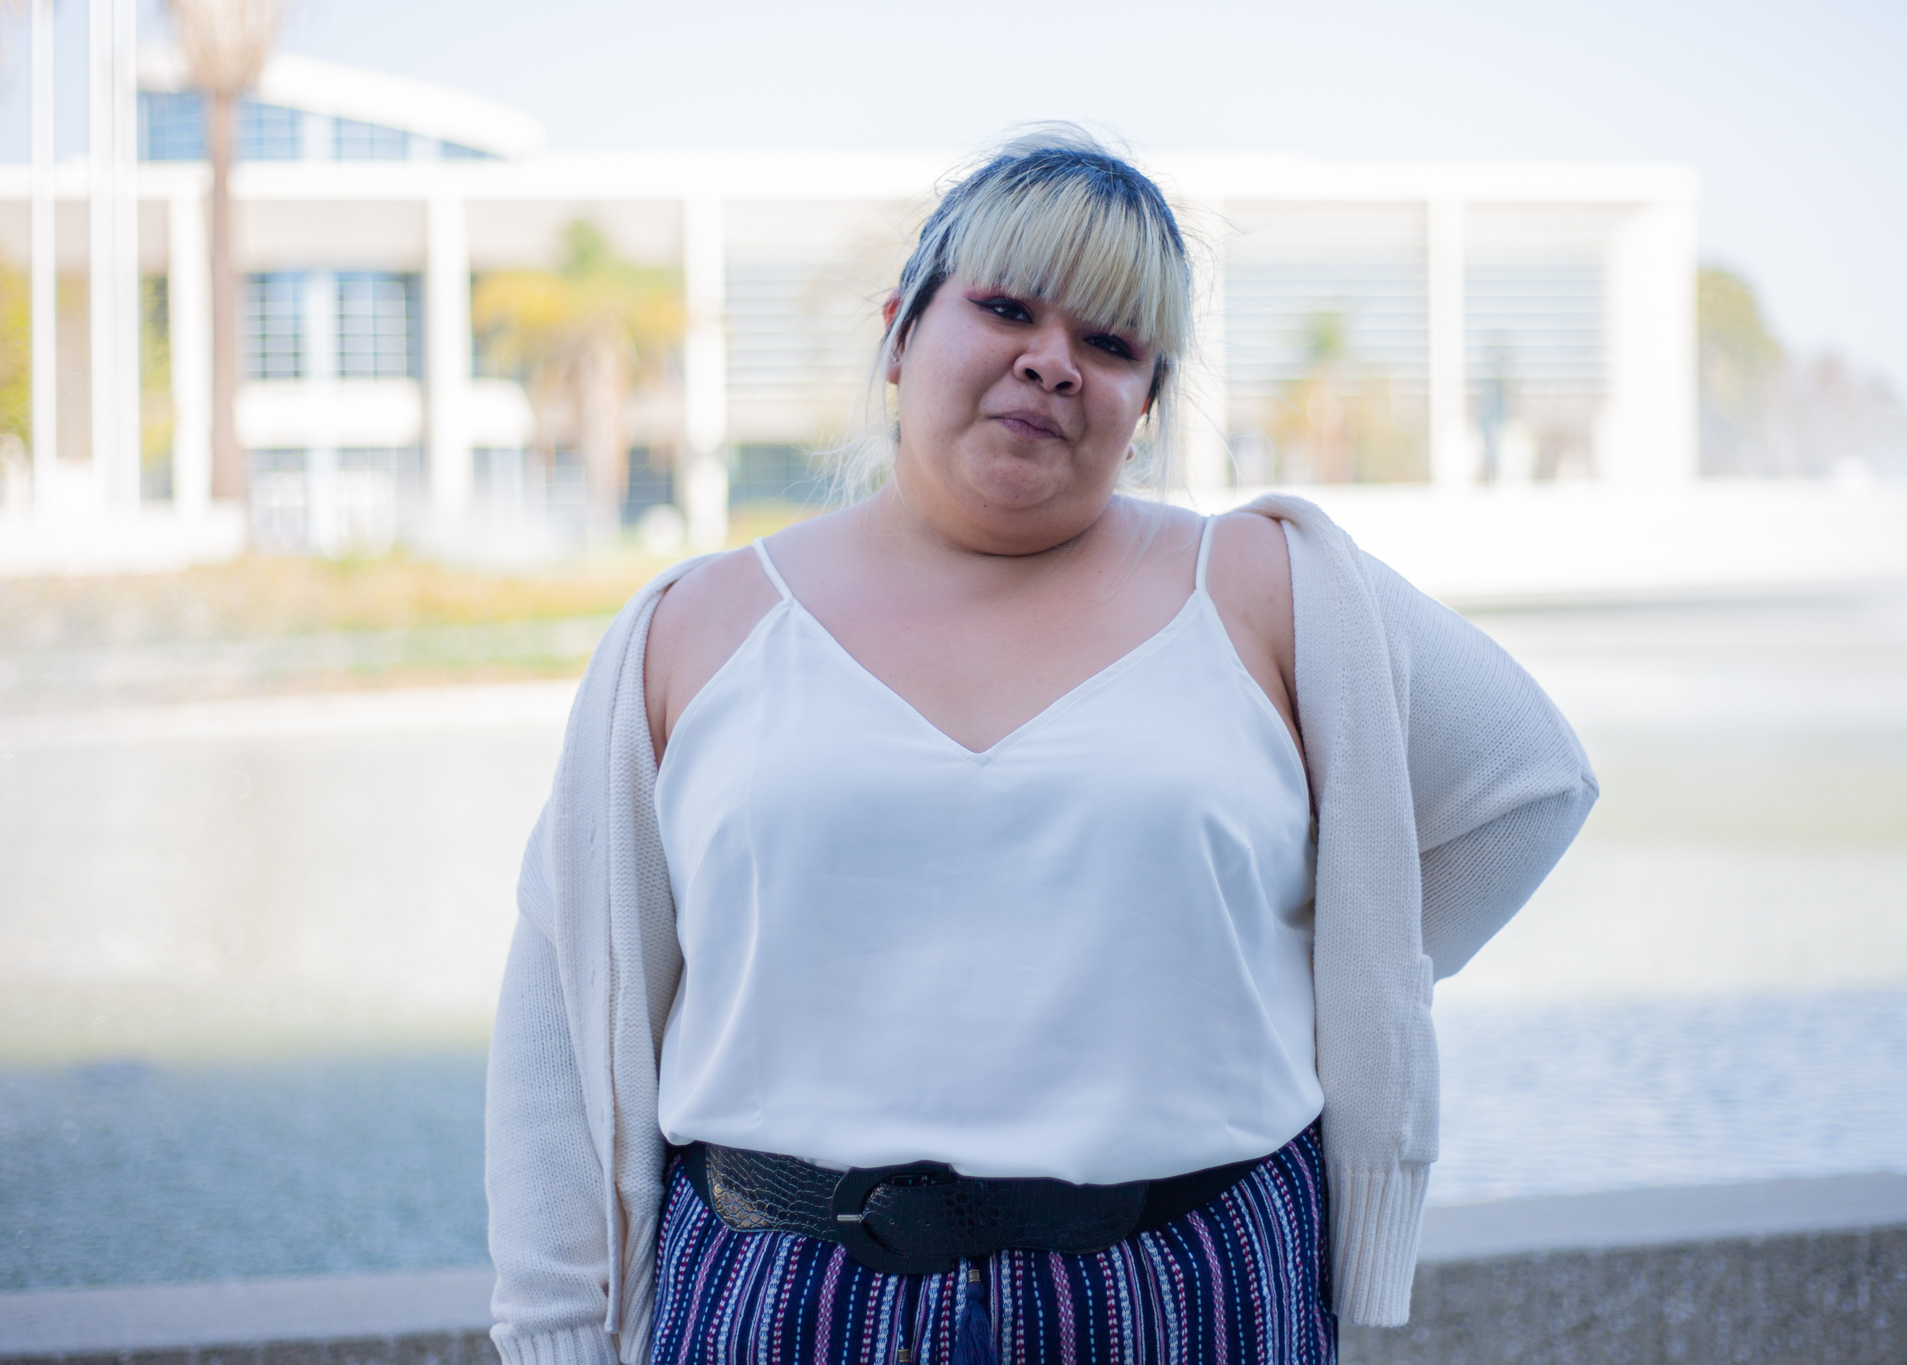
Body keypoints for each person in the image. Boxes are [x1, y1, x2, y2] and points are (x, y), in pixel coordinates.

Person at [485, 127, 1597, 1365]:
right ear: (901, 332)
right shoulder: (689, 630)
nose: (1050, 363)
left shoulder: (1267, 589)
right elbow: (562, 1003)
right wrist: (551, 1336)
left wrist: (1307, 982)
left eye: (1110, 343)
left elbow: (1524, 787)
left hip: (1186, 1293)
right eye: (1005, 306)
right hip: (778, 1305)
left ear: (1147, 400)